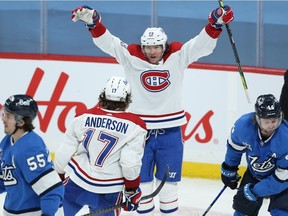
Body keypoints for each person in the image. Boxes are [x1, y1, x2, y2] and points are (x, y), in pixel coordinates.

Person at [71, 5, 234, 215]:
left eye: (156, 47)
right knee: (142, 186)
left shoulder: (177, 56)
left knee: (169, 188)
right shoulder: (132, 57)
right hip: (139, 134)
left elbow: (200, 45)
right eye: (148, 47)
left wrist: (215, 24)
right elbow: (109, 43)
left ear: (163, 46)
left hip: (171, 133)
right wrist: (94, 23)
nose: (151, 51)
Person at [54, 76, 147, 216]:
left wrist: (57, 178)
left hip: (78, 181)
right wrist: (131, 190)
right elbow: (129, 163)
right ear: (127, 99)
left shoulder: (82, 117)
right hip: (109, 190)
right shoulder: (136, 125)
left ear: (102, 95)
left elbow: (63, 152)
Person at [220, 94, 288, 216]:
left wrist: (255, 191)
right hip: (255, 174)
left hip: (283, 182)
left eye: (274, 120)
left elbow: (282, 178)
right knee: (242, 212)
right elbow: (234, 150)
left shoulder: (286, 137)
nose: (271, 125)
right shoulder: (243, 126)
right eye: (267, 121)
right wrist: (229, 169)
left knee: (281, 212)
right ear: (257, 118)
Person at [0, 94, 64, 215]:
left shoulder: (31, 148)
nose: (3, 119)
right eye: (4, 113)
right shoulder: (7, 141)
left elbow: (52, 190)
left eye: (8, 116)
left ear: (21, 122)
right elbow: (4, 179)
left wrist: (47, 214)